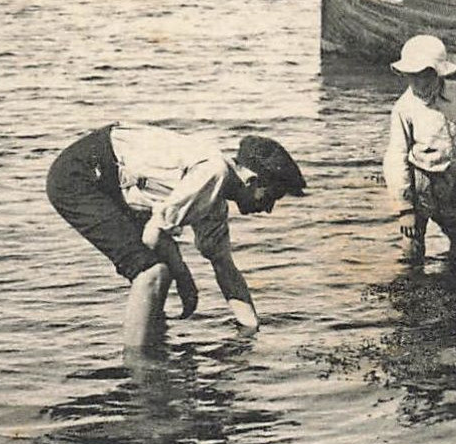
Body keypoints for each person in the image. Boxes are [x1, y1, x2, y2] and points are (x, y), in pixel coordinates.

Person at [46, 124, 306, 345]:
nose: (269, 209)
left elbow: (225, 268)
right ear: (252, 180)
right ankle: (139, 371)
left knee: (158, 272)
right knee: (152, 273)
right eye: (271, 196)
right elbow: (153, 235)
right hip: (81, 174)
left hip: (115, 182)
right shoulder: (214, 172)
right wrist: (185, 279)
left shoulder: (216, 202)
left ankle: (156, 353)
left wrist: (251, 331)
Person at [382, 35, 456, 264]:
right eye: (412, 76)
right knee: (412, 252)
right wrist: (405, 209)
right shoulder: (404, 108)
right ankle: (412, 294)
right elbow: (396, 159)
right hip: (420, 186)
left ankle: (453, 287)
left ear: (438, 73)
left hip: (451, 184)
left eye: (425, 75)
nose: (418, 83)